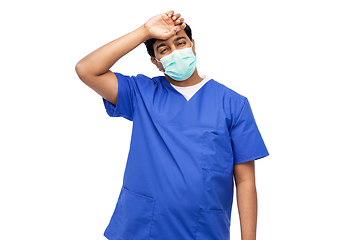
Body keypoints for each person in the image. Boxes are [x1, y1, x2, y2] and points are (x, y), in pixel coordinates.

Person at [75, 10, 269, 240]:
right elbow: (87, 70)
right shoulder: (141, 93)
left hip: (203, 228)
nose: (175, 52)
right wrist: (144, 31)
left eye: (180, 42)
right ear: (156, 62)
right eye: (164, 49)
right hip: (141, 228)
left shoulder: (233, 103)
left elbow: (245, 180)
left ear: (193, 46)